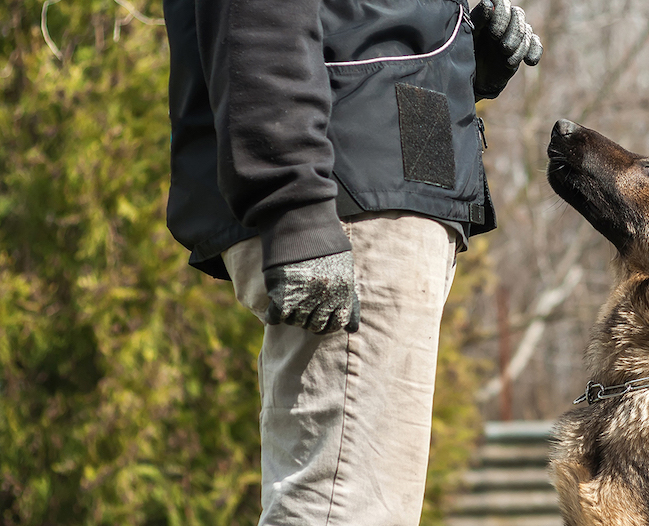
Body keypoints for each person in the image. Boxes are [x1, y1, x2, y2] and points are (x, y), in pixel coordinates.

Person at [161, 0, 541, 523]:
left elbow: (365, 29)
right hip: (344, 199)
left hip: (378, 186)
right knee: (341, 508)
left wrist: (460, 62)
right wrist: (295, 203)